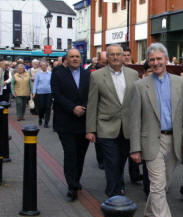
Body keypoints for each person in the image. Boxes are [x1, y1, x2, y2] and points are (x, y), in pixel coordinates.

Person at [129, 43, 183, 217]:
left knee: (163, 184)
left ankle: (150, 213)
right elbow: (135, 120)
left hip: (174, 140)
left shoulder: (180, 83)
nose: (156, 62)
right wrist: (135, 148)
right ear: (148, 62)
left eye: (159, 59)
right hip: (151, 142)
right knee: (157, 185)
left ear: (166, 59)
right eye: (152, 59)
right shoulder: (140, 86)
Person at [85, 44, 138, 197]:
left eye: (118, 54)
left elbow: (136, 101)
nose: (115, 57)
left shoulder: (133, 74)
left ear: (123, 56)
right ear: (107, 57)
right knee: (111, 161)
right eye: (112, 54)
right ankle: (113, 193)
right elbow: (92, 103)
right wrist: (90, 130)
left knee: (121, 161)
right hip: (106, 126)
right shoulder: (96, 76)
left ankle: (118, 184)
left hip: (127, 127)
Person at [51, 48, 91, 201]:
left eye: (77, 57)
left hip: (83, 122)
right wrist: (72, 108)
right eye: (72, 56)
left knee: (80, 155)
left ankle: (76, 179)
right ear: (66, 59)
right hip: (65, 122)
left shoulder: (88, 75)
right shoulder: (58, 74)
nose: (75, 59)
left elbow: (92, 95)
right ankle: (71, 186)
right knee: (70, 154)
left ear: (81, 59)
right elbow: (57, 95)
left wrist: (84, 107)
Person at [32, 61, 52, 128]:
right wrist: (34, 92)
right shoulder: (38, 74)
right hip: (40, 93)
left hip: (49, 93)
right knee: (41, 107)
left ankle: (46, 122)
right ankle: (40, 118)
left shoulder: (50, 73)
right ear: (40, 67)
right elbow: (35, 84)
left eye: (45, 65)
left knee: (48, 107)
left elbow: (53, 83)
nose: (43, 66)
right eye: (42, 65)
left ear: (47, 66)